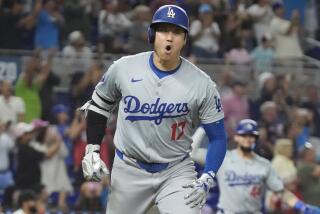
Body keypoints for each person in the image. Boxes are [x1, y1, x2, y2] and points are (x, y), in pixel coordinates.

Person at [80, 4, 227, 214]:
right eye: (163, 30)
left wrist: (208, 175)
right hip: (128, 169)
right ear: (151, 34)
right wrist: (92, 148)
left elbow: (218, 137)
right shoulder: (123, 68)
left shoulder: (201, 83)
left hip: (175, 171)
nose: (169, 37)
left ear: (185, 39)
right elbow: (99, 105)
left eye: (176, 32)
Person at [191, 119, 320, 214]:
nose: (248, 139)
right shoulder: (223, 158)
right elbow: (193, 153)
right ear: (236, 137)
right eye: (244, 135)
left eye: (252, 136)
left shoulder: (264, 164)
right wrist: (203, 128)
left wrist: (301, 206)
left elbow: (280, 191)